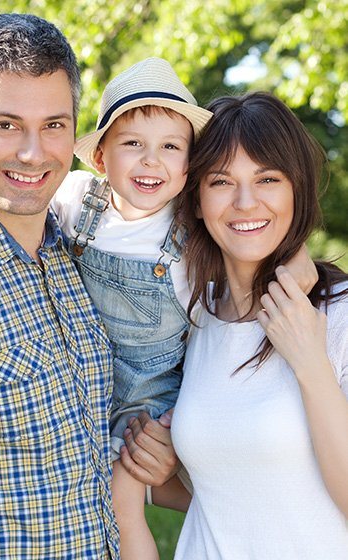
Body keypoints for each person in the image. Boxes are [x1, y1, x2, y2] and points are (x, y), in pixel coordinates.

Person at [0, 59, 319, 559]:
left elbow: (259, 242)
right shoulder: (75, 199)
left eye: (170, 147)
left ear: (188, 166)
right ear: (99, 157)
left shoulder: (191, 235)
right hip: (76, 395)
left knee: (122, 501)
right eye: (133, 144)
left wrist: (298, 260)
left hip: (149, 408)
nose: (151, 161)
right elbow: (9, 191)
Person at [0, 14, 172, 559]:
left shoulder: (70, 244)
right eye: (5, 125)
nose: (33, 152)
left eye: (53, 125)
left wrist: (149, 459)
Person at [171, 92, 348, 559]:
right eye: (222, 181)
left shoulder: (341, 317)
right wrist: (151, 475)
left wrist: (310, 361)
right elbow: (227, 485)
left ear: (297, 189)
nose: (245, 202)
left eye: (267, 178)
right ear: (195, 198)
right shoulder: (193, 316)